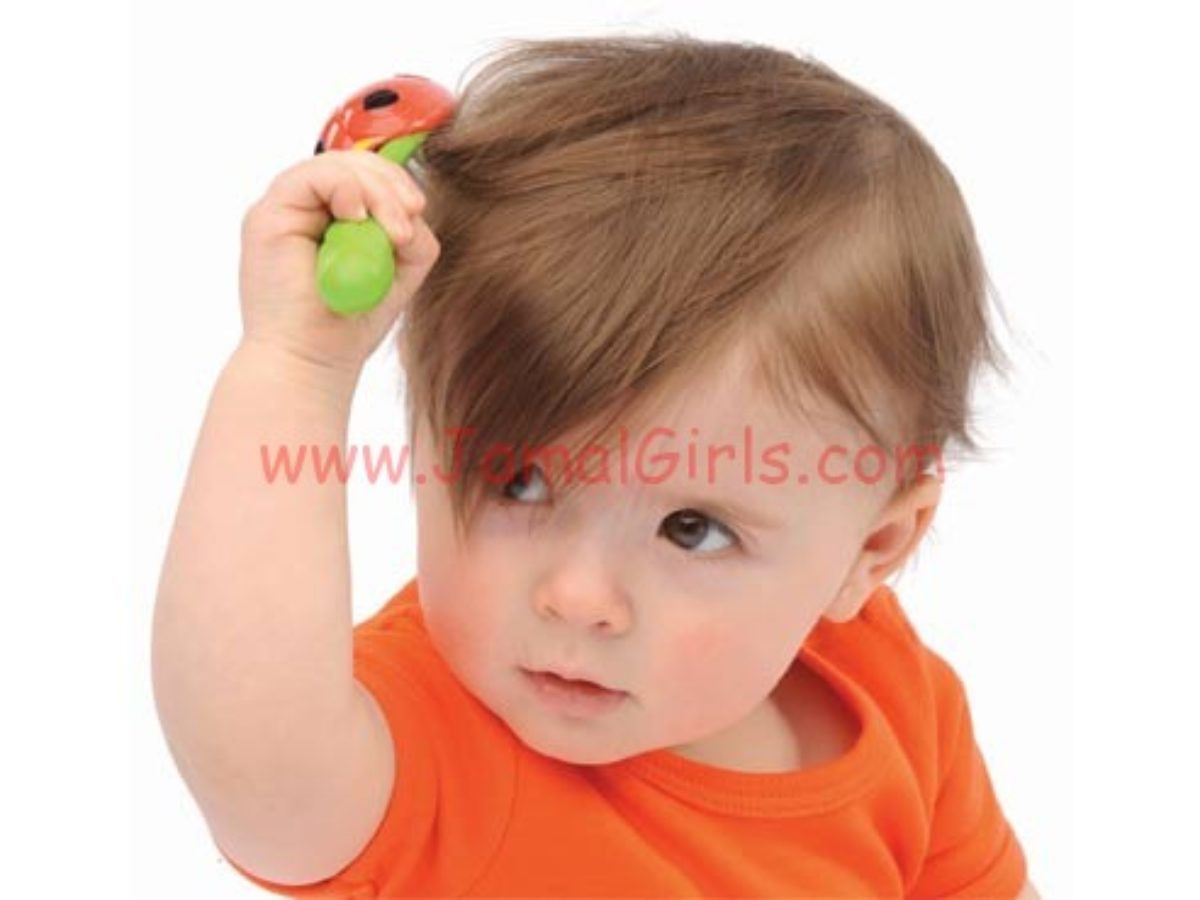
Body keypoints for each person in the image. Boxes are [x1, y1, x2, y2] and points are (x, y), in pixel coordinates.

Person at [152, 33, 1037, 898]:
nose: (577, 597)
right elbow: (258, 764)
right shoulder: (428, 745)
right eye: (518, 481)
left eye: (692, 529)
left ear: (872, 550)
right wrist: (295, 368)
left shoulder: (893, 694)